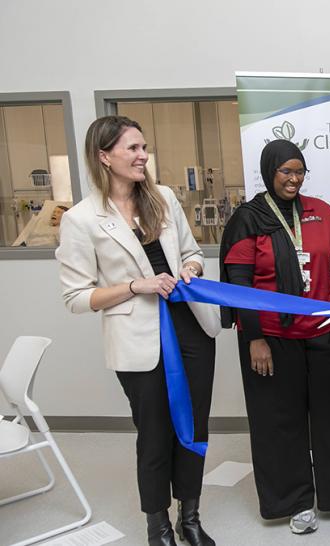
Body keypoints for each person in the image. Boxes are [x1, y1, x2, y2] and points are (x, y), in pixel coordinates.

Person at [56, 115, 221, 546]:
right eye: (132, 148)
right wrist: (135, 286)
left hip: (190, 330)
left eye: (144, 147)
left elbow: (193, 252)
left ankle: (191, 516)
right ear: (104, 156)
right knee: (155, 433)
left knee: (194, 428)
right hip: (139, 341)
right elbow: (76, 298)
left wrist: (189, 266)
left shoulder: (163, 197)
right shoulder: (81, 219)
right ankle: (158, 525)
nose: (142, 155)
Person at [219, 139, 330, 535]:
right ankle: (295, 503)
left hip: (324, 331)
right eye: (285, 171)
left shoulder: (322, 211)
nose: (293, 178)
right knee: (279, 422)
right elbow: (239, 284)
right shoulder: (248, 219)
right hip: (271, 336)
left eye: (299, 171)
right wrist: (254, 338)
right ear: (270, 171)